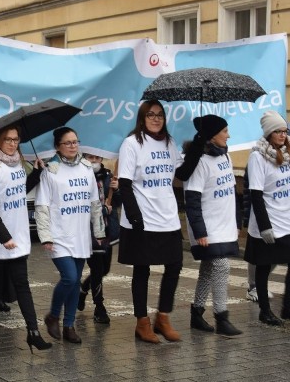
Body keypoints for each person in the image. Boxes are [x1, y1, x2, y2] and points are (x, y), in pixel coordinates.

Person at [0, 126, 51, 352]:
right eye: (7, 139)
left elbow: (18, 191)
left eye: (16, 140)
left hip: (17, 236)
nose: (12, 144)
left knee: (22, 285)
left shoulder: (17, 162)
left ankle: (33, 332)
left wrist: (35, 173)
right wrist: (3, 237)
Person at [117, 100, 183, 344]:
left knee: (175, 265)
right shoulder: (132, 143)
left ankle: (162, 317)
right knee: (141, 270)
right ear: (142, 118)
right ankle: (142, 323)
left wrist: (198, 146)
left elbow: (181, 175)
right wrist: (135, 216)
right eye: (151, 115)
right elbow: (124, 183)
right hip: (142, 218)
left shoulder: (170, 142)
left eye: (160, 115)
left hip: (167, 216)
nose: (156, 119)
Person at [37, 127, 105, 345]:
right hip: (59, 235)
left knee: (75, 284)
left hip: (80, 235)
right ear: (58, 146)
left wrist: (99, 230)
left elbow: (95, 203)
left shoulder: (87, 169)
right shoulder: (51, 171)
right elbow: (42, 206)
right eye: (68, 143)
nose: (73, 146)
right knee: (70, 278)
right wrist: (45, 236)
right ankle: (53, 316)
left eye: (76, 141)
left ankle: (69, 326)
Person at [176, 115, 242, 336]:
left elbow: (233, 192)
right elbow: (192, 200)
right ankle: (222, 317)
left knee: (208, 269)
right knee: (221, 266)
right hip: (208, 228)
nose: (229, 135)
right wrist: (199, 231)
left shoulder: (225, 157)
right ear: (212, 135)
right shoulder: (199, 162)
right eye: (224, 131)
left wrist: (237, 221)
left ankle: (197, 313)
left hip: (225, 224)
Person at [241, 111, 290, 326]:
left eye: (284, 130)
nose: (282, 134)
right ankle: (265, 310)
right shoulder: (257, 157)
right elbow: (256, 195)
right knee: (263, 265)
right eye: (277, 131)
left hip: (289, 219)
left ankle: (288, 307)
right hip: (269, 221)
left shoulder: (289, 152)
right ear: (269, 133)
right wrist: (264, 227)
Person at [77, 153, 120, 324]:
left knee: (105, 270)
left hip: (107, 231)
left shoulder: (109, 177)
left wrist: (117, 190)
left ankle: (83, 289)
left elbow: (117, 202)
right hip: (89, 231)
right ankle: (99, 307)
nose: (94, 161)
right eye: (90, 158)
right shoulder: (81, 178)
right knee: (97, 268)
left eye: (97, 158)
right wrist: (102, 209)